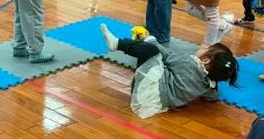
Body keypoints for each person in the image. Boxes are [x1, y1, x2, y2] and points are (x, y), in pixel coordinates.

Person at [100, 23, 238, 119]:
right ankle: (134, 45)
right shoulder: (208, 85)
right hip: (159, 103)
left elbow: (165, 53)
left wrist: (148, 38)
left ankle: (117, 44)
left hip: (145, 90)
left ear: (206, 60)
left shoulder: (189, 63)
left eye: (206, 49)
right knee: (159, 62)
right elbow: (213, 97)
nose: (202, 48)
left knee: (151, 50)